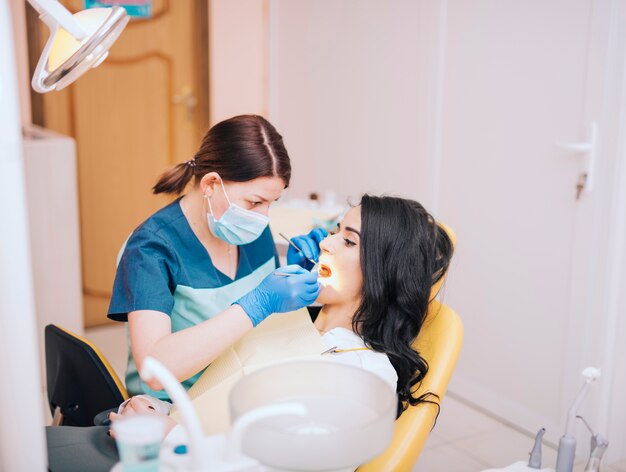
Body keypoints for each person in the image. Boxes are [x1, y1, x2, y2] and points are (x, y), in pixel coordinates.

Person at [109, 194, 454, 433]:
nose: (324, 243)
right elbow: (225, 402)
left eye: (348, 241)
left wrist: (170, 438)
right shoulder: (297, 325)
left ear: (383, 272)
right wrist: (163, 413)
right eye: (334, 231)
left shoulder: (361, 375)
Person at [107, 114, 327, 399]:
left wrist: (295, 278)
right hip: (179, 408)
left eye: (271, 203)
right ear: (211, 184)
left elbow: (263, 321)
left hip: (245, 386)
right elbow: (153, 367)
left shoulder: (251, 229)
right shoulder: (150, 249)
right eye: (255, 202)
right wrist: (257, 303)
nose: (264, 217)